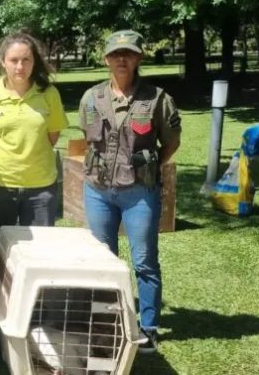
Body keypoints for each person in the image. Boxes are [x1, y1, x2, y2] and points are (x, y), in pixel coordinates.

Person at [79, 30, 181, 354]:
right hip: (98, 190)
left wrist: (148, 167)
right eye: (115, 54)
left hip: (139, 192)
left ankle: (148, 327)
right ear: (106, 59)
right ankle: (107, 322)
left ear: (138, 58)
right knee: (102, 260)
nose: (121, 59)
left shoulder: (158, 99)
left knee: (144, 262)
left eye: (129, 53)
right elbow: (87, 136)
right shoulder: (91, 98)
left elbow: (172, 141)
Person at [0, 32, 68, 273]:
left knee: (38, 255)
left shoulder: (49, 95)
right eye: (14, 60)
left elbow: (52, 136)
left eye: (26, 60)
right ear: (3, 61)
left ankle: (33, 308)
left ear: (35, 62)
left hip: (40, 190)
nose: (20, 66)